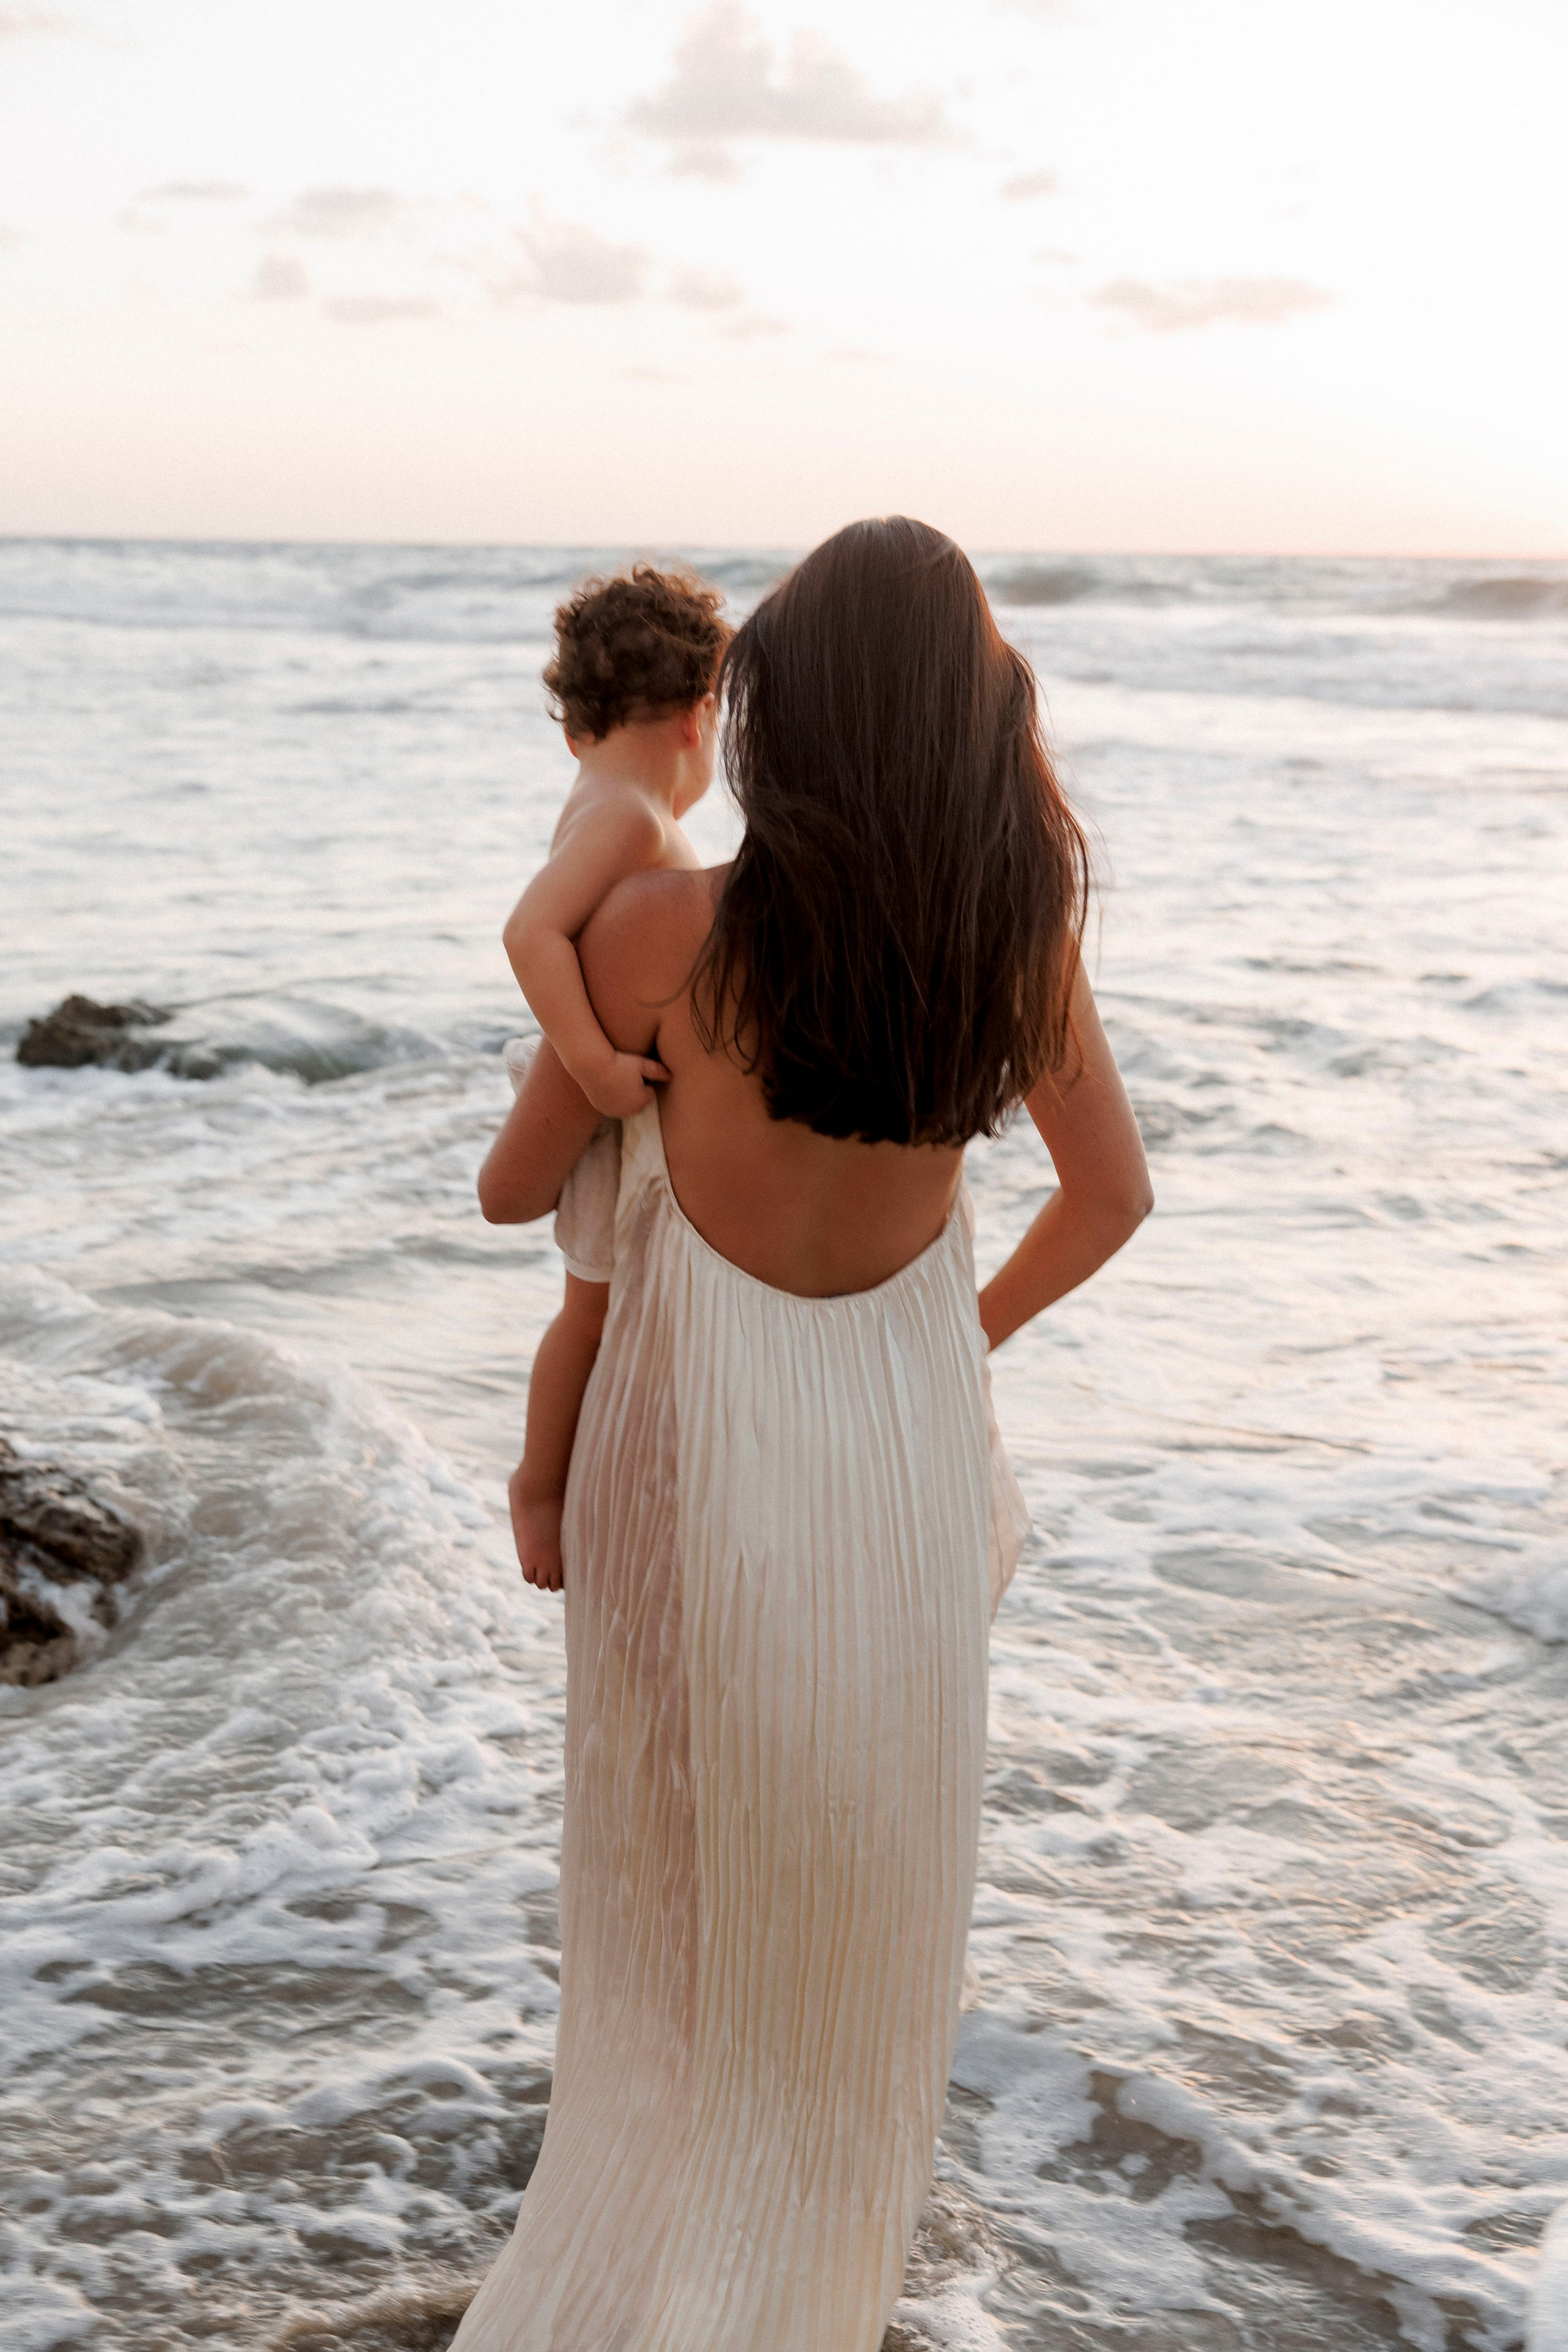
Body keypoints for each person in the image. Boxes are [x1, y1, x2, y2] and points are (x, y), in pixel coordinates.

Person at [457, 518, 1153, 2352]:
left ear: (785, 714)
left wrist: (607, 1078)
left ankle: (629, 2294)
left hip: (686, 1456)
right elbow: (1112, 1197)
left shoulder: (663, 928)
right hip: (899, 1474)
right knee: (849, 1914)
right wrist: (950, 1346)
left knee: (670, 1906)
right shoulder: (1015, 943)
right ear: (969, 721)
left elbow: (519, 1186)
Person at [500, 565, 730, 1593]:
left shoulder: (606, 795)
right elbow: (529, 929)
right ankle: (538, 1489)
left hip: (608, 1070)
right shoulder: (633, 818)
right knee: (588, 1310)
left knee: (603, 1308)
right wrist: (593, 1068)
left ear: (572, 727)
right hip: (599, 1086)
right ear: (699, 716)